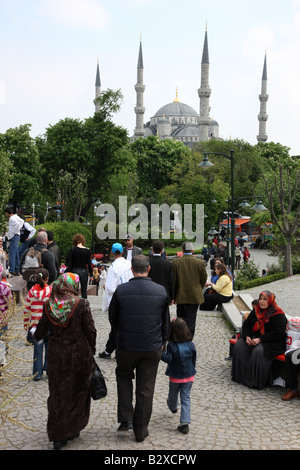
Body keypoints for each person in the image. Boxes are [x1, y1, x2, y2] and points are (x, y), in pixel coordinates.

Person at [109, 254, 170, 443]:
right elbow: (166, 322)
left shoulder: (121, 290)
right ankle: (141, 430)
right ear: (148, 269)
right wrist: (163, 342)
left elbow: (113, 318)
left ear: (132, 270)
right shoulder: (160, 291)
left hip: (127, 345)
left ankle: (126, 418)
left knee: (124, 377)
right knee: (145, 388)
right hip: (152, 346)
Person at [34, 273, 96, 450]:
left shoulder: (49, 304)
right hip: (79, 356)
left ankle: (57, 434)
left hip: (56, 356)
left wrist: (35, 335)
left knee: (58, 392)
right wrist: (91, 350)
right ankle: (72, 428)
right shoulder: (81, 304)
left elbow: (40, 331)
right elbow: (90, 330)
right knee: (78, 391)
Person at [231, 291, 287, 390]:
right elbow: (247, 324)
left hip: (272, 342)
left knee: (258, 351)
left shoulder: (277, 313)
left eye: (265, 299)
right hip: (256, 338)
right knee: (239, 345)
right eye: (260, 299)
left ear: (270, 300)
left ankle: (255, 381)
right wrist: (247, 336)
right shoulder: (256, 311)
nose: (261, 302)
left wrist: (260, 339)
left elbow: (278, 333)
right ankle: (240, 377)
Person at [161, 317, 196, 435]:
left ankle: (173, 407)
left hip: (175, 376)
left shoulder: (171, 346)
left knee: (172, 394)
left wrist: (160, 352)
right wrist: (192, 369)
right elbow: (193, 359)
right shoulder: (191, 344)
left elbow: (168, 359)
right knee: (186, 398)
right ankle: (185, 423)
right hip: (189, 376)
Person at [98, 243, 133, 359]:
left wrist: (105, 287)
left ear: (112, 253)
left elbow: (111, 288)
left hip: (117, 300)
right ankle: (111, 349)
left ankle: (115, 349)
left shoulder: (114, 267)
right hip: (130, 297)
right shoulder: (129, 263)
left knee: (116, 326)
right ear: (122, 252)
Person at [172, 242, 207, 338]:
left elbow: (173, 281)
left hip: (180, 295)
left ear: (182, 250)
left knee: (180, 318)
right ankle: (189, 338)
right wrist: (198, 288)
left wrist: (173, 295)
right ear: (192, 250)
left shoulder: (176, 262)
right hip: (194, 296)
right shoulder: (199, 262)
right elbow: (203, 278)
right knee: (191, 319)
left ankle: (180, 337)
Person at [23, 269, 52, 381]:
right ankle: (49, 370)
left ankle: (37, 373)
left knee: (37, 350)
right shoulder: (50, 291)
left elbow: (27, 309)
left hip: (35, 326)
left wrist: (26, 323)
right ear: (47, 278)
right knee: (49, 348)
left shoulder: (31, 292)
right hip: (48, 325)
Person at [65, 234, 93, 299]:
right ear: (82, 241)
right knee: (84, 290)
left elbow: (69, 261)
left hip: (74, 270)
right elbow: (89, 263)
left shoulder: (73, 249)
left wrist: (68, 271)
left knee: (75, 291)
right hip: (84, 271)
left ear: (74, 241)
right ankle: (84, 305)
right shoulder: (87, 250)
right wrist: (91, 274)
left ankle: (75, 304)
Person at [4, 207, 24, 277]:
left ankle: (11, 271)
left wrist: (13, 232)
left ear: (7, 213)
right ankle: (16, 270)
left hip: (14, 236)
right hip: (17, 236)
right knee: (16, 253)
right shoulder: (16, 216)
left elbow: (17, 224)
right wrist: (17, 231)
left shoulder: (11, 218)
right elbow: (22, 221)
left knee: (11, 254)